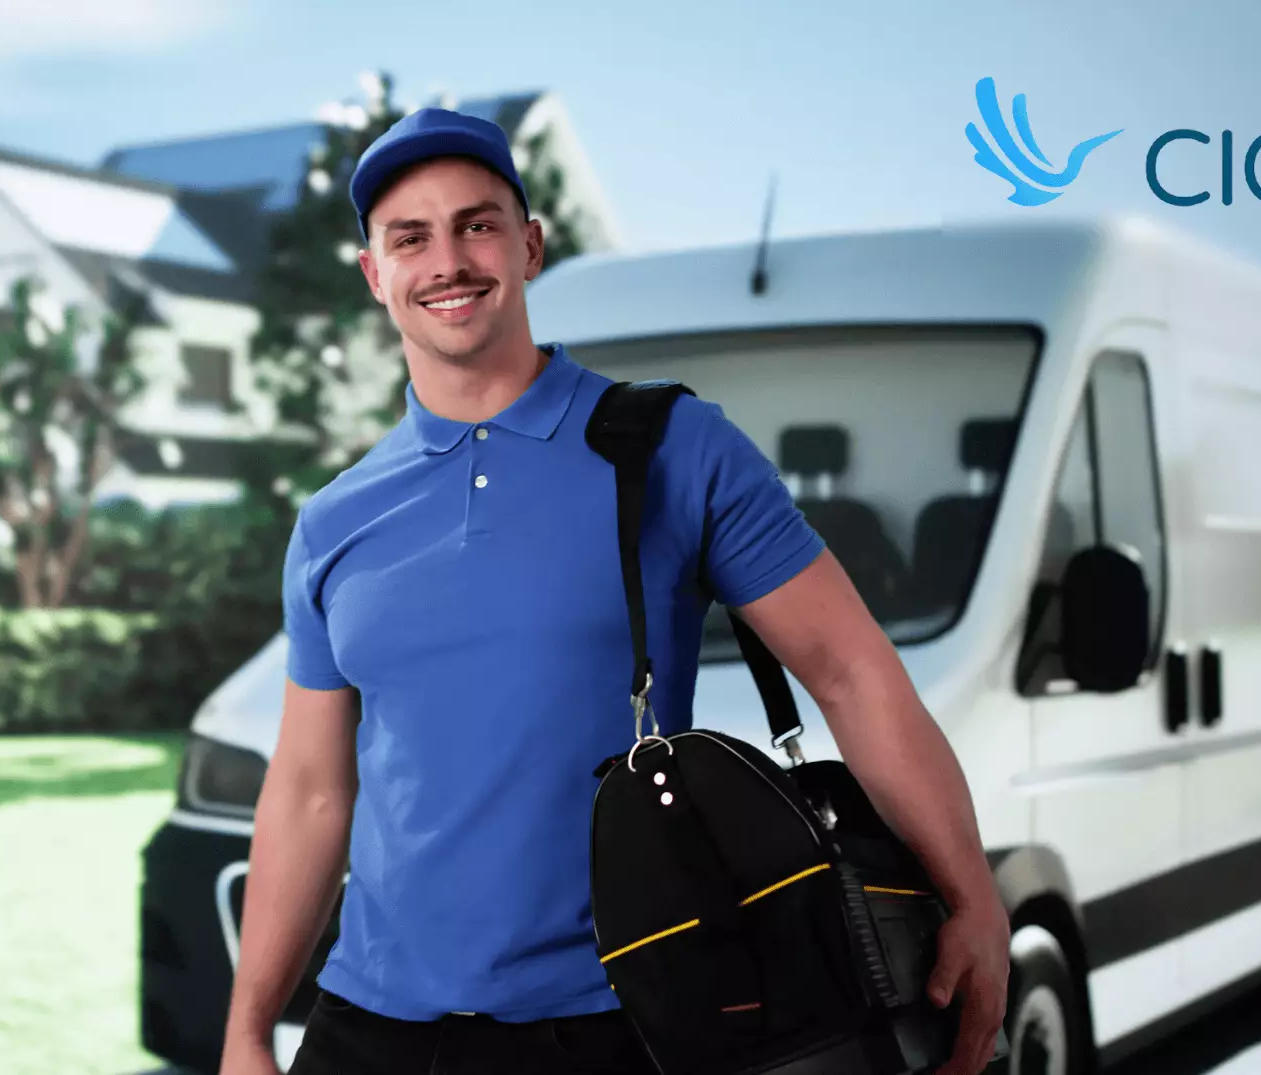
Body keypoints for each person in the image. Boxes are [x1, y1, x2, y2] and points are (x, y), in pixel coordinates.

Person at [217, 108, 1010, 1075]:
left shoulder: (672, 447)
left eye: (477, 223)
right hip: (371, 1027)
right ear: (374, 274)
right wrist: (248, 1028)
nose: (448, 260)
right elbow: (308, 790)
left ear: (530, 245)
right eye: (409, 237)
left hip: (620, 1015)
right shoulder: (335, 521)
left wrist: (971, 896)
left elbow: (852, 673)